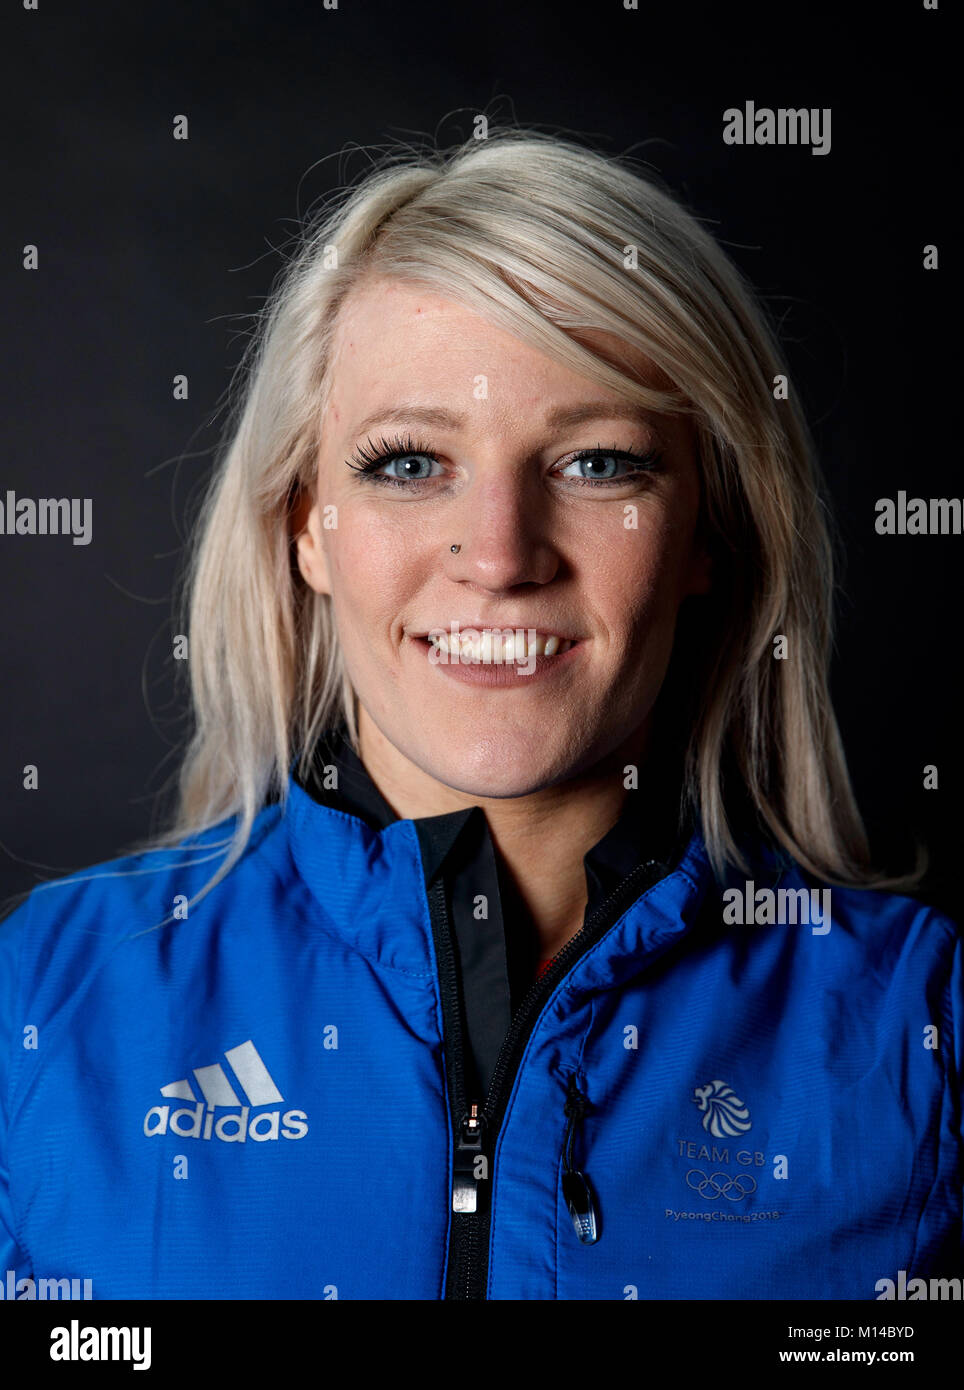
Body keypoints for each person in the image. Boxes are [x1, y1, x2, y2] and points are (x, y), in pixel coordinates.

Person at [0, 128, 960, 1302]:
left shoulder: (923, 1028)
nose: (500, 555)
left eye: (597, 462)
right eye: (409, 463)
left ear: (707, 532)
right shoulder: (43, 999)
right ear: (305, 528)